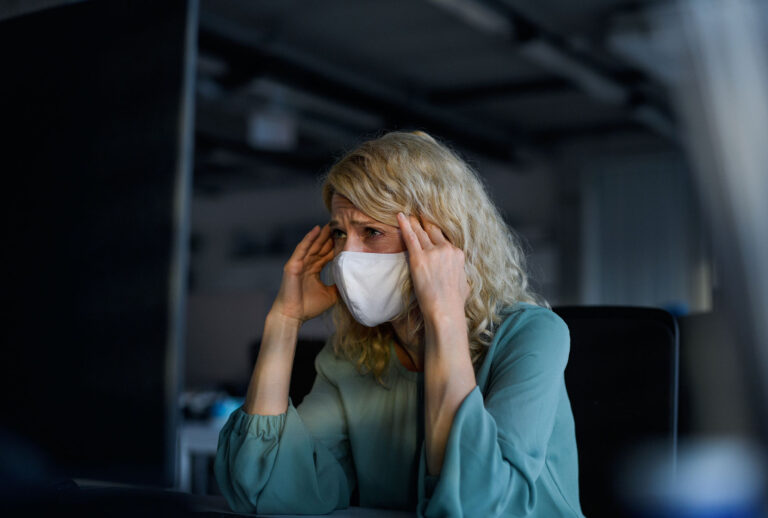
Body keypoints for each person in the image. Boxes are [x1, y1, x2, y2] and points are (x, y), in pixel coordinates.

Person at [214, 131, 584, 517]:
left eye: (371, 232)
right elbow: (265, 493)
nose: (345, 257)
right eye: (340, 233)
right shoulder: (349, 357)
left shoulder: (532, 335)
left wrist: (445, 316)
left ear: (444, 239)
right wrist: (284, 320)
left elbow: (478, 508)